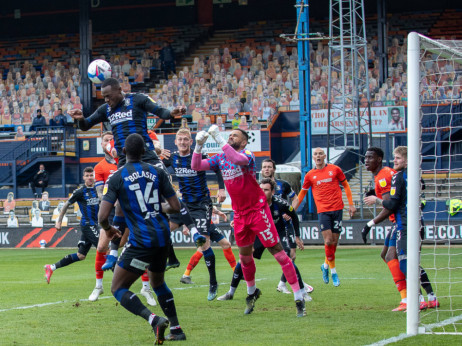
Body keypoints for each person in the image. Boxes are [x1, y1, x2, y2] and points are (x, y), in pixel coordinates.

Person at [68, 77, 199, 273]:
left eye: (108, 96)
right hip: (125, 162)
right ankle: (113, 255)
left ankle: (195, 233)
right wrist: (78, 119)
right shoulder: (106, 110)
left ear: (119, 91)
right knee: (120, 205)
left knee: (167, 194)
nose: (106, 100)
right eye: (103, 97)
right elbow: (86, 125)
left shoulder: (138, 99)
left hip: (148, 157)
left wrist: (171, 114)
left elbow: (160, 111)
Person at [192, 126, 307, 317]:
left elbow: (237, 159)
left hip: (257, 210)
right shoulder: (220, 158)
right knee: (245, 258)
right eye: (229, 135)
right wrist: (198, 145)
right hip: (240, 215)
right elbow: (196, 166)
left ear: (244, 142)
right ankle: (252, 293)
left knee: (277, 252)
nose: (230, 137)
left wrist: (219, 139)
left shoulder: (247, 154)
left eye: (234, 136)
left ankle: (298, 296)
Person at [99, 133, 186, 342]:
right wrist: (156, 206)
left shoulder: (117, 177)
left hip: (141, 241)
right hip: (163, 238)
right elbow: (175, 207)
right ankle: (176, 329)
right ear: (145, 151)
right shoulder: (157, 172)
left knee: (117, 288)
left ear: (123, 152)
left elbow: (102, 216)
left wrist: (109, 229)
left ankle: (153, 319)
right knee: (158, 283)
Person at [361, 146, 439, 310]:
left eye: (397, 158)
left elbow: (391, 204)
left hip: (402, 223)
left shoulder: (389, 176)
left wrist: (371, 221)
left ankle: (412, 299)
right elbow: (419, 187)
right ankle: (428, 297)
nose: (394, 161)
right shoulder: (410, 175)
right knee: (391, 256)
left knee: (402, 261)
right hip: (414, 222)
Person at [163, 128, 235, 300]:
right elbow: (156, 166)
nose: (182, 142)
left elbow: (217, 168)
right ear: (175, 142)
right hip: (183, 204)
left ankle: (213, 283)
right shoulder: (172, 158)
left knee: (204, 244)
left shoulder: (199, 155)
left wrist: (221, 189)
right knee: (162, 229)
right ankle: (172, 259)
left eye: (185, 139)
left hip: (202, 204)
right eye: (179, 139)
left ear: (191, 141)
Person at [218, 178, 312, 304]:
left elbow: (293, 215)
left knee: (288, 258)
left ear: (272, 192)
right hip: (259, 234)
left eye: (266, 190)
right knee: (244, 259)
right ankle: (231, 292)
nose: (262, 192)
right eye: (260, 190)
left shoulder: (280, 203)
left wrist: (297, 236)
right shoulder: (253, 203)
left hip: (277, 234)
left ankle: (301, 291)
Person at [292, 147, 356, 287]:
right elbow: (302, 194)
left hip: (337, 209)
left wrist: (351, 204)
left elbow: (346, 185)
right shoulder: (310, 175)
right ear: (313, 157)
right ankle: (333, 271)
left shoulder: (335, 169)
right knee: (328, 241)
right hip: (323, 211)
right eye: (316, 154)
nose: (318, 156)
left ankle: (325, 266)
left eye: (320, 153)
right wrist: (292, 210)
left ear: (325, 156)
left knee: (334, 242)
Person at [44, 167, 105, 303]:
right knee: (103, 249)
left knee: (81, 255)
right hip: (88, 224)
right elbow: (66, 204)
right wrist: (59, 221)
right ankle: (109, 283)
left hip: (94, 225)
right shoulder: (80, 192)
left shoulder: (98, 190)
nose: (90, 177)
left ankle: (51, 267)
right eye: (87, 175)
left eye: (91, 175)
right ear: (83, 178)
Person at [261, 159, 309, 293]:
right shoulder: (256, 186)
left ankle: (285, 283)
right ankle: (293, 283)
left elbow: (296, 199)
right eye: (264, 167)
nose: (266, 169)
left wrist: (290, 212)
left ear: (273, 169)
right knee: (248, 257)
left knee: (290, 255)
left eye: (269, 167)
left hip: (284, 225)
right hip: (265, 226)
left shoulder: (283, 185)